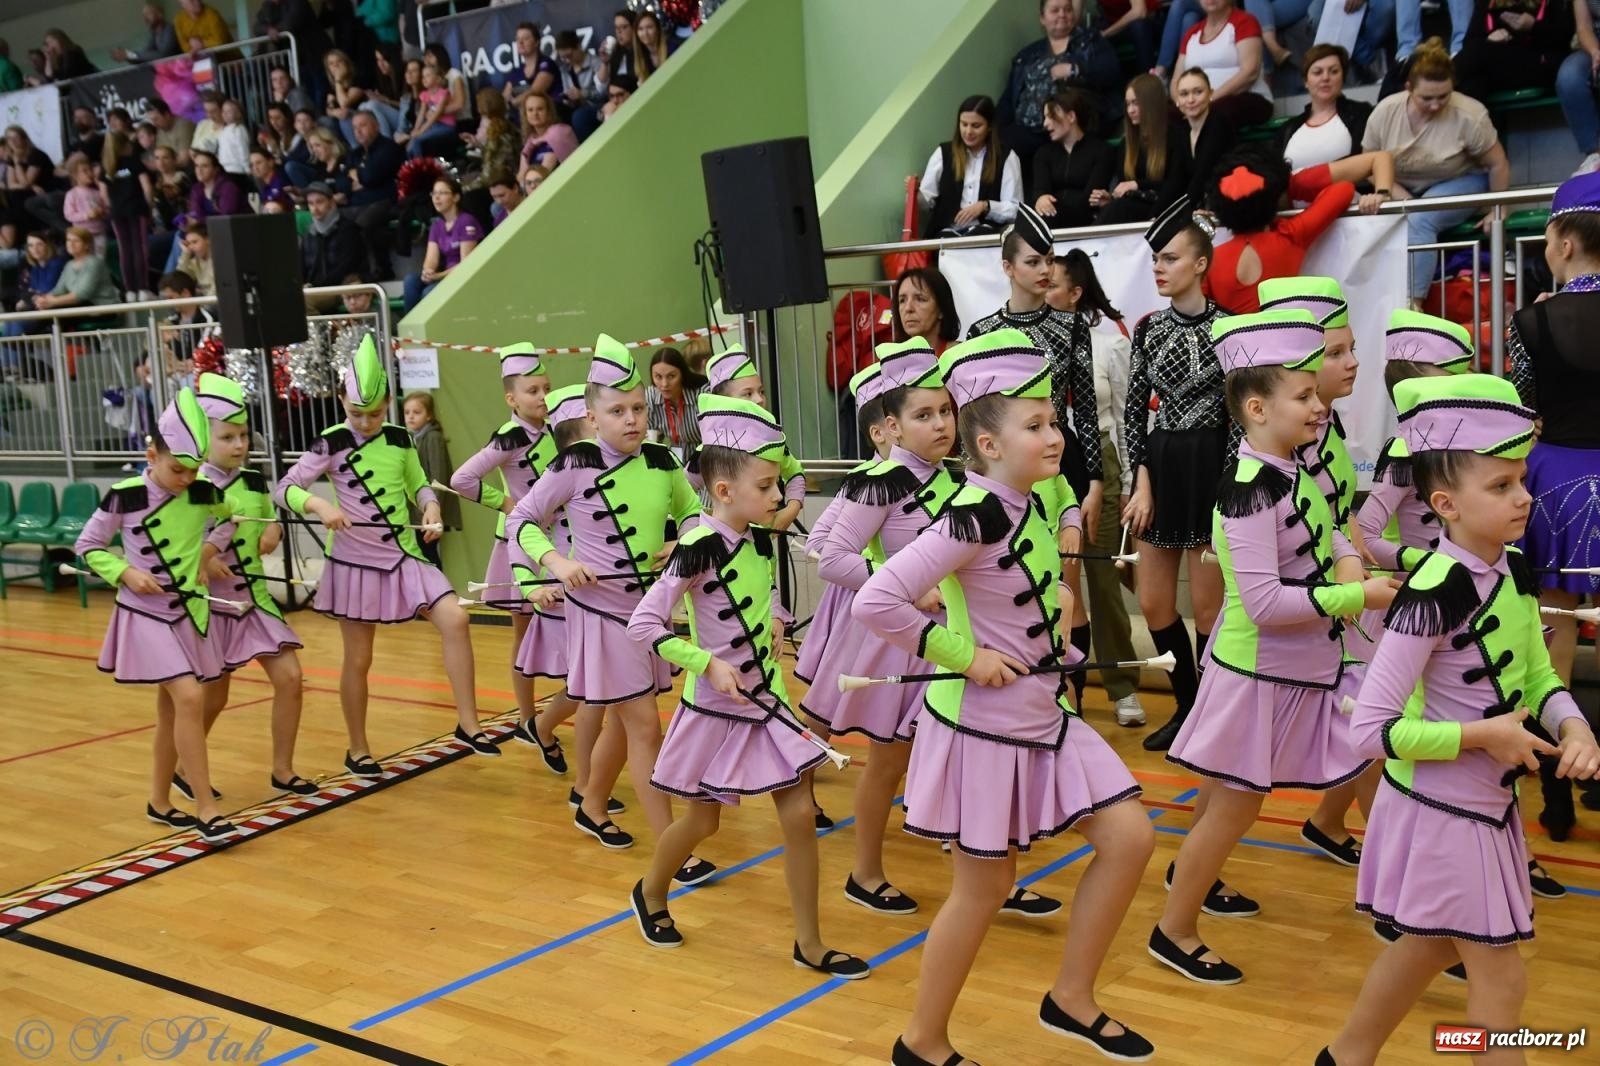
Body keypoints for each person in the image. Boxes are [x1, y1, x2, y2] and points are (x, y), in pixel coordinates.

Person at [859, 329, 1155, 1066]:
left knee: (1129, 838)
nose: (1055, 437)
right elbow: (877, 599)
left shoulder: (1025, 503)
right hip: (982, 729)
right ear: (988, 445)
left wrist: (1057, 637)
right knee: (985, 888)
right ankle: (921, 1040)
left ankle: (1072, 998)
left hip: (1041, 712)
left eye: (1054, 421)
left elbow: (1013, 602)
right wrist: (966, 656)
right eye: (1036, 425)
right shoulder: (974, 515)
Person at [1320, 374, 1599, 1066]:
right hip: (1441, 811)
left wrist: (1574, 725)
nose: (1524, 496)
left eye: (1520, 480)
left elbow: (1539, 676)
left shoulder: (1513, 570)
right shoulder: (1430, 594)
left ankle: (1345, 1056)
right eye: (1501, 486)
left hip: (1487, 806)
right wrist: (1483, 736)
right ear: (1444, 504)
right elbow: (1370, 731)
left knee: (1427, 948)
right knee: (1502, 981)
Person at [1152, 309, 1397, 986]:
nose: (1318, 406)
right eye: (1303, 395)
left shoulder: (1293, 471)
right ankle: (1174, 929)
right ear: (1257, 409)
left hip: (1302, 669)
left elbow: (1333, 534)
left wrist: (1350, 569)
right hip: (1255, 675)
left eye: (1316, 394)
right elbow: (1262, 606)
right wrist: (1357, 597)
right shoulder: (1247, 493)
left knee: (1253, 798)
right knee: (1233, 808)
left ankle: (1398, 901)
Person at [625, 394, 869, 978]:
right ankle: (651, 890)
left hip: (767, 701)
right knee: (702, 822)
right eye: (766, 486)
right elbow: (644, 624)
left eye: (777, 483)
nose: (779, 496)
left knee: (798, 815)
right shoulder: (697, 547)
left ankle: (810, 943)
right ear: (724, 490)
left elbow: (760, 595)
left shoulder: (758, 539)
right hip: (714, 710)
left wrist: (777, 616)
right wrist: (705, 662)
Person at [508, 339, 710, 880]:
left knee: (624, 724)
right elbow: (521, 519)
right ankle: (673, 848)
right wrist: (555, 562)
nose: (631, 419)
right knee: (644, 726)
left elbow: (693, 510)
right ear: (592, 417)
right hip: (599, 613)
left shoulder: (663, 460)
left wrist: (684, 539)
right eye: (617, 411)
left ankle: (592, 803)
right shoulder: (574, 463)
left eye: (638, 408)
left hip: (647, 609)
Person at [274, 336, 498, 774]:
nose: (365, 422)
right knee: (359, 659)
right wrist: (319, 504)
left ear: (389, 404)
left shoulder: (399, 439)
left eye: (375, 413)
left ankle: (468, 723)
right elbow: (285, 489)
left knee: (456, 619)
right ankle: (357, 748)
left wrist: (431, 507)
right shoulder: (330, 443)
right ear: (342, 402)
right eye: (357, 413)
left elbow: (418, 484)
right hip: (354, 563)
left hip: (402, 552)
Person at [1260, 276, 1385, 860]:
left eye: (1351, 348)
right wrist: (1350, 582)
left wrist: (1358, 558)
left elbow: (1337, 513)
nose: (1352, 362)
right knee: (1237, 772)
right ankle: (1396, 872)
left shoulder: (1327, 424)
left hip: (1339, 599)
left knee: (1363, 722)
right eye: (1335, 352)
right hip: (1300, 616)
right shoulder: (1284, 442)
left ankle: (1332, 825)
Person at [75, 392, 238, 841]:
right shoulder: (125, 496)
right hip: (144, 614)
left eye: (194, 470)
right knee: (190, 698)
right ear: (152, 456)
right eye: (176, 469)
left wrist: (208, 552)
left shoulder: (205, 492)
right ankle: (206, 808)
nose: (186, 479)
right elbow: (88, 546)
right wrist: (125, 572)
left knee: (172, 712)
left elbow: (230, 519)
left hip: (189, 611)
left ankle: (159, 802)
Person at [1508, 172, 1600, 836]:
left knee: (1551, 630)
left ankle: (1557, 791)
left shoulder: (1532, 321)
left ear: (1565, 243)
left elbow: (1523, 408)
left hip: (1555, 478)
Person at [1120, 198, 1229, 752]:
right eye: (1156, 259)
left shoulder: (1231, 328)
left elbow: (1240, 417)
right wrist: (1140, 482)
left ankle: (1210, 718)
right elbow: (1133, 413)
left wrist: (1231, 488)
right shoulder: (1148, 329)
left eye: (1170, 258)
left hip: (1212, 466)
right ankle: (1187, 707)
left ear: (1200, 264)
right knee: (1155, 604)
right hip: (1160, 467)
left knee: (1207, 610)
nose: (1159, 268)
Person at [188, 373, 316, 800]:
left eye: (243, 435)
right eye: (227, 437)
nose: (239, 445)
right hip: (213, 606)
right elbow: (178, 544)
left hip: (255, 600)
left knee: (291, 678)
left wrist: (273, 530)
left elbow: (266, 521)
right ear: (203, 438)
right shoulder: (192, 487)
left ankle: (283, 769)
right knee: (213, 697)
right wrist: (205, 558)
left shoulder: (254, 482)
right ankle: (181, 768)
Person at [506, 383, 629, 813]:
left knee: (592, 691)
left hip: (603, 595)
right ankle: (584, 783)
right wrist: (531, 585)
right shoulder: (561, 476)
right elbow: (519, 530)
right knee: (590, 692)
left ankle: (548, 737)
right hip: (566, 596)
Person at [1047, 249, 1146, 727]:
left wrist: (1125, 482)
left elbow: (1126, 418)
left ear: (1075, 293)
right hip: (1045, 462)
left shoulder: (1108, 343)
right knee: (1057, 581)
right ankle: (1063, 689)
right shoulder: (1030, 340)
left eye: (1052, 283)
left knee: (1104, 581)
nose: (1043, 289)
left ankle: (1122, 686)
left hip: (1099, 462)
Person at [966, 206, 1104, 546]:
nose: (1045, 269)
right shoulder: (982, 333)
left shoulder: (1072, 326)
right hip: (1001, 464)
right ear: (1008, 267)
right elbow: (972, 418)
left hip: (1059, 457)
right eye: (1033, 262)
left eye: (1050, 260)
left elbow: (1086, 410)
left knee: (1063, 571)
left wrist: (1095, 482)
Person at [449, 346, 565, 745]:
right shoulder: (509, 437)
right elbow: (462, 479)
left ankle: (564, 706)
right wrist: (505, 503)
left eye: (546, 388)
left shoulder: (555, 429)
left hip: (558, 540)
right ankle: (527, 718)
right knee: (524, 631)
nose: (543, 397)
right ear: (511, 399)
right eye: (533, 390)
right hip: (521, 543)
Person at [1360, 39, 1510, 309]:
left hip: (1462, 180)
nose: (1435, 105)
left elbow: (1498, 163)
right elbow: (1368, 165)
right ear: (1408, 88)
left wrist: (1498, 209)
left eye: (1443, 96)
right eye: (1426, 98)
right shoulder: (1385, 112)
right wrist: (1401, 197)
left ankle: (1412, 305)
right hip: (1402, 186)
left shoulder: (1470, 114)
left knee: (1421, 219)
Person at [1203, 144, 1357, 314]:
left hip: (1229, 331)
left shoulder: (1209, 259)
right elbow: (1344, 189)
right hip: (1285, 330)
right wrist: (1288, 186)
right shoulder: (1290, 235)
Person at [997, 0, 1120, 164]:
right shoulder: (1026, 56)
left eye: (1068, 10)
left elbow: (1111, 72)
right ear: (1042, 18)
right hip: (1028, 128)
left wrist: (1075, 69)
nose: (1062, 14)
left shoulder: (1091, 41)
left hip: (1072, 125)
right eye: (1055, 10)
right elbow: (1008, 99)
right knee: (999, 147)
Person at [1279, 45, 1395, 208]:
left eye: (1333, 71)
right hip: (1297, 216)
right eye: (1317, 72)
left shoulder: (1362, 114)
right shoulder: (1288, 128)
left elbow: (1374, 162)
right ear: (1306, 81)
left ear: (1343, 77)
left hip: (1351, 209)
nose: (1326, 77)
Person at [919, 96, 1024, 238]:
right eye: (964, 124)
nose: (968, 132)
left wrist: (985, 206)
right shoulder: (943, 153)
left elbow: (1015, 210)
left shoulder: (1006, 157)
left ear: (989, 127)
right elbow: (926, 202)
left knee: (982, 232)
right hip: (946, 236)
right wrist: (914, 194)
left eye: (976, 126)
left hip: (987, 236)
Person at [1092, 73, 1188, 224]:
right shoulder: (1126, 143)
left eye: (1136, 103)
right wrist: (1110, 198)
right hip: (1133, 211)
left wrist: (1137, 184)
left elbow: (1176, 185)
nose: (1130, 110)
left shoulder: (1175, 138)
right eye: (1128, 104)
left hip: (1163, 211)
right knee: (1116, 208)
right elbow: (1124, 187)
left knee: (1119, 209)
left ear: (1152, 104)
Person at [1171, 0, 1272, 129]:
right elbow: (1176, 80)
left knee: (1215, 114)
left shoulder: (1245, 21)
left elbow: (1250, 72)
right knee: (1166, 117)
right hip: (1198, 103)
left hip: (1248, 98)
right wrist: (1182, 104)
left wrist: (1209, 100)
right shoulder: (1191, 34)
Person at [1453, 0, 1573, 104]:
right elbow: (1469, 42)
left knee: (1480, 49)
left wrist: (1534, 26)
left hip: (1538, 62)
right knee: (1472, 85)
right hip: (1497, 66)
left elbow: (1565, 38)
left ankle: (1443, 76)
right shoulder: (1488, 2)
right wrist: (1490, 39)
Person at [1031, 88, 1115, 228]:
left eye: (1051, 116)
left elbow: (1091, 197)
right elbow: (1041, 189)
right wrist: (1041, 198)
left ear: (1071, 116)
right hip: (1051, 217)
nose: (1045, 124)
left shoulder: (1101, 150)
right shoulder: (1044, 153)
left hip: (1086, 218)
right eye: (1045, 118)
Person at [338, 110, 403, 279]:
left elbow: (370, 176)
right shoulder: (355, 153)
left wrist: (356, 175)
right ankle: (349, 275)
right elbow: (342, 184)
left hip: (384, 201)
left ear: (376, 126)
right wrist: (356, 180)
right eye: (355, 127)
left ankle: (378, 271)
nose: (358, 131)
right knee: (337, 224)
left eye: (363, 126)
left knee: (362, 225)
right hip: (357, 204)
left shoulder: (389, 148)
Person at [402, 177, 481, 312]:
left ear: (456, 197)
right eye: (434, 193)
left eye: (442, 193)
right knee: (411, 281)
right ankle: (409, 325)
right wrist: (428, 272)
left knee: (428, 293)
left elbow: (466, 265)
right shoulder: (437, 225)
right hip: (444, 275)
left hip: (462, 277)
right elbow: (431, 259)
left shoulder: (466, 221)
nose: (436, 198)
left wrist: (438, 276)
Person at [402, 391, 458, 567]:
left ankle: (438, 585)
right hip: (417, 511)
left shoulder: (432, 437)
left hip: (427, 511)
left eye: (416, 412)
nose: (410, 416)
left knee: (428, 555)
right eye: (407, 412)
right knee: (422, 554)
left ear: (429, 415)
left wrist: (433, 508)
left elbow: (437, 477)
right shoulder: (411, 437)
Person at [1173, 68, 1238, 206]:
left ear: (1210, 94)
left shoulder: (1218, 124)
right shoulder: (1182, 131)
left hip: (1228, 203)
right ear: (1177, 100)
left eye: (1198, 92)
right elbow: (1176, 180)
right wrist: (1155, 215)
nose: (1191, 100)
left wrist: (1185, 211)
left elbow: (1202, 176)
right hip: (1203, 202)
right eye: (1184, 94)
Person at [102, 132, 155, 299]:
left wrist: (113, 208)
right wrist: (149, 206)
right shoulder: (134, 163)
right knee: (139, 248)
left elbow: (105, 197)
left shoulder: (107, 168)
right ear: (126, 146)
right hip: (136, 209)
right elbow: (147, 188)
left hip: (117, 213)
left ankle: (130, 290)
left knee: (124, 249)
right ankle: (143, 288)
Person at [1558, 0, 1600, 176]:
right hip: (1594, 43)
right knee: (1569, 76)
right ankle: (1595, 155)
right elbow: (1584, 28)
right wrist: (1595, 52)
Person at [301, 181, 365, 291]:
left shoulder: (348, 230)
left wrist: (317, 286)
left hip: (342, 289)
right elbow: (300, 267)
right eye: (310, 203)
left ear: (331, 202)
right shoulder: (308, 234)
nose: (315, 208)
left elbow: (347, 267)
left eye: (319, 202)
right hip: (312, 290)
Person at [34, 227, 119, 310]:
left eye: (76, 241)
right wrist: (44, 298)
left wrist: (53, 302)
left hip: (102, 308)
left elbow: (82, 294)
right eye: (68, 240)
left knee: (53, 310)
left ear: (87, 245)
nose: (71, 244)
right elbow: (59, 289)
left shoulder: (93, 263)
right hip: (83, 306)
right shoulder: (69, 265)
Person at [645, 347, 704, 454]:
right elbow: (651, 438)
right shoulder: (651, 396)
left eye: (671, 376)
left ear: (682, 374)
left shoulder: (701, 395)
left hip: (705, 455)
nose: (664, 384)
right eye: (658, 377)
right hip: (675, 456)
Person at [553, 29, 606, 140]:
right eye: (563, 57)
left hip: (597, 105)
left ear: (578, 46)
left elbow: (604, 92)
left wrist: (583, 94)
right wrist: (568, 98)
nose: (567, 60)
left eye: (569, 55)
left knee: (579, 117)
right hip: (576, 107)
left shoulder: (596, 63)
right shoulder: (565, 69)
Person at [1080, 0, 1157, 73]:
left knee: (1139, 27)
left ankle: (1147, 79)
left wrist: (1105, 33)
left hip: (1145, 21)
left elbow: (1140, 12)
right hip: (1112, 21)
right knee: (1090, 37)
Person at [402, 62, 457, 159]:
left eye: (428, 76)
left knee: (417, 140)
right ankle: (410, 165)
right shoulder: (425, 94)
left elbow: (436, 115)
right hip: (433, 125)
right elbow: (421, 115)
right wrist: (416, 129)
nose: (424, 79)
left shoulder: (443, 93)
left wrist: (420, 131)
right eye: (423, 76)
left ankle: (420, 165)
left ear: (438, 79)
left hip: (446, 126)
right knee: (409, 148)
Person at [518, 93, 577, 177]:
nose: (535, 113)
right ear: (525, 114)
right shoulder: (530, 142)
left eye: (540, 109)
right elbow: (521, 175)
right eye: (530, 110)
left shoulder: (558, 133)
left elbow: (543, 173)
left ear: (549, 112)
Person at [504, 21, 556, 112]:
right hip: (519, 118)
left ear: (536, 42)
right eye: (517, 39)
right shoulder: (516, 71)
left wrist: (513, 103)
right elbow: (504, 98)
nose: (520, 42)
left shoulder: (546, 64)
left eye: (526, 38)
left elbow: (535, 92)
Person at [63, 159, 109, 256]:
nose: (89, 173)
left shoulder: (98, 192)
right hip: (82, 235)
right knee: (85, 258)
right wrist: (87, 215)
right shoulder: (72, 194)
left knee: (100, 258)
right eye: (85, 171)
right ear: (75, 175)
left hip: (99, 232)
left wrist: (102, 212)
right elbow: (69, 215)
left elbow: (106, 209)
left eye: (90, 170)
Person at [187, 150, 248, 222]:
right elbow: (196, 214)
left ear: (216, 169)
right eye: (196, 166)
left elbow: (226, 218)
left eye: (205, 166)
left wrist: (199, 221)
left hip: (240, 226)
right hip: (211, 227)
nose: (199, 170)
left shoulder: (228, 188)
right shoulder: (197, 188)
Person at [114, 4, 180, 63]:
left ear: (160, 15)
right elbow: (145, 55)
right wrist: (127, 55)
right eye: (144, 15)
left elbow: (164, 55)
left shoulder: (170, 29)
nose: (145, 19)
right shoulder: (154, 34)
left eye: (148, 14)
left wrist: (130, 55)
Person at [145, 98, 196, 167]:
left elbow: (184, 161)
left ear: (167, 115)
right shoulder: (159, 130)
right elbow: (159, 156)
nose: (154, 124)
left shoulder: (183, 126)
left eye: (156, 119)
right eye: (152, 120)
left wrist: (160, 165)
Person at [632, 10, 673, 82]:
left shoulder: (672, 48)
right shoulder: (642, 58)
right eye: (640, 29)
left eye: (649, 27)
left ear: (657, 29)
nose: (645, 33)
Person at [216, 98, 252, 176]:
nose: (225, 114)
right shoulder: (224, 130)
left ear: (238, 114)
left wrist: (247, 167)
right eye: (223, 111)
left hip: (236, 167)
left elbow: (242, 148)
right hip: (223, 167)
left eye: (229, 112)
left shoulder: (239, 129)